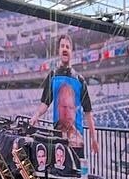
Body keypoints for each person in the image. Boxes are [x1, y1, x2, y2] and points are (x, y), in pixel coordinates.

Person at [35, 34, 98, 170]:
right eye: (62, 46)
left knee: (78, 174)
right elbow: (45, 103)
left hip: (77, 143)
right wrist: (36, 116)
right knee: (59, 173)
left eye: (67, 47)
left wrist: (94, 138)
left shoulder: (80, 80)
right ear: (58, 50)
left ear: (71, 52)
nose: (65, 49)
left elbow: (88, 112)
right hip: (58, 140)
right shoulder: (53, 76)